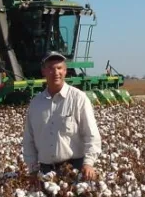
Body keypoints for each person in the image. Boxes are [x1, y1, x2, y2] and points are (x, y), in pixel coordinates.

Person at [23, 51, 101, 180]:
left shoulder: (78, 98)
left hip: (74, 169)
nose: (55, 72)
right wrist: (32, 169)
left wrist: (89, 163)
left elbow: (91, 134)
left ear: (65, 71)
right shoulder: (36, 103)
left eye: (59, 68)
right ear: (44, 72)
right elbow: (28, 140)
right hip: (44, 171)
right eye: (51, 68)